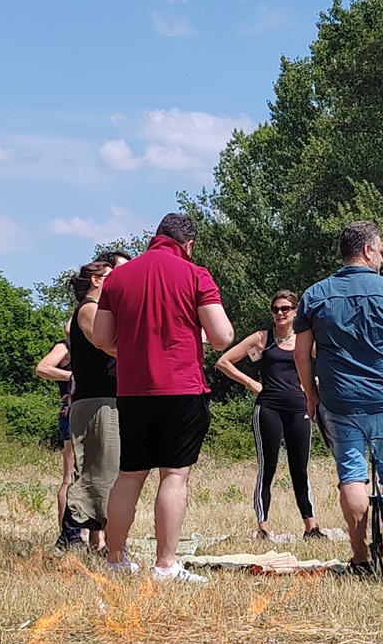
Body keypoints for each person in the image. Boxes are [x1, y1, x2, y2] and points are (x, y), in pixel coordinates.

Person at [88, 212, 234, 583]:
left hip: (133, 391)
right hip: (182, 388)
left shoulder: (118, 276)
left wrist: (135, 351)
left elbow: (103, 338)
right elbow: (222, 336)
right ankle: (166, 564)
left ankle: (115, 559)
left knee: (129, 475)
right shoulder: (195, 274)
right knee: (174, 476)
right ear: (188, 244)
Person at [292, 221, 383, 577]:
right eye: (381, 249)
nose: (382, 256)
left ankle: (361, 560)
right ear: (368, 250)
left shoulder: (314, 294)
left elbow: (301, 354)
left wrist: (312, 394)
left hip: (338, 401)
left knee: (351, 477)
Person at [215, 290, 323, 542]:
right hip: (268, 408)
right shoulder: (262, 338)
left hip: (299, 407)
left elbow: (331, 360)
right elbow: (223, 362)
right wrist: (252, 383)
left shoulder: (306, 340)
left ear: (296, 311)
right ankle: (262, 528)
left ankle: (311, 528)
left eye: (285, 308)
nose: (280, 314)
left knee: (300, 469)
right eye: (275, 309)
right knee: (268, 467)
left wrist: (315, 385)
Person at [60, 260, 124, 555]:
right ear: (97, 281)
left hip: (106, 399)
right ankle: (70, 537)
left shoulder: (100, 311)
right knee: (99, 474)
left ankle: (102, 543)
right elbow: (108, 346)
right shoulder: (88, 310)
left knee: (106, 473)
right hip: (96, 400)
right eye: (112, 276)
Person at [34, 337, 76, 542]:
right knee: (70, 476)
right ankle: (67, 534)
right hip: (71, 412)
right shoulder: (66, 345)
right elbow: (43, 367)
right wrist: (73, 376)